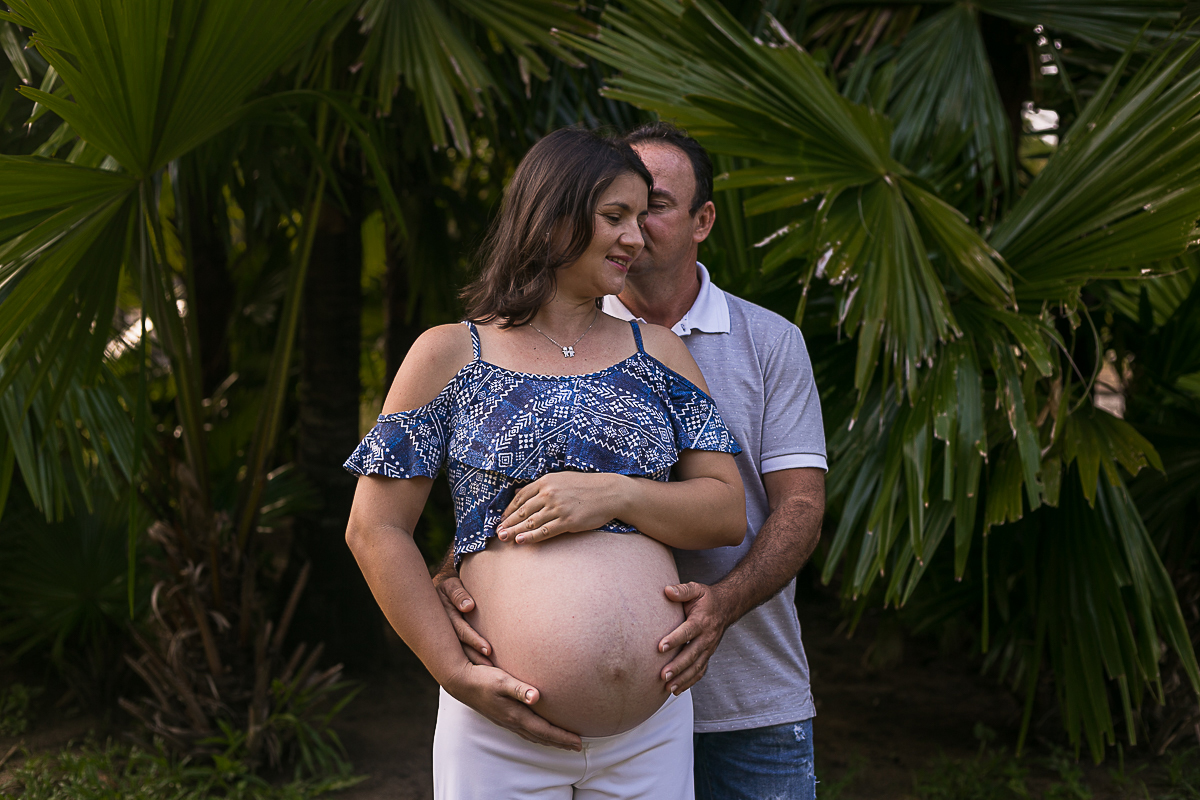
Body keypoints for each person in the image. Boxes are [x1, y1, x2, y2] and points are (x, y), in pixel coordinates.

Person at [343, 127, 747, 799]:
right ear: (554, 215)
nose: (636, 239)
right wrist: (452, 671)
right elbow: (375, 528)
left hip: (650, 732)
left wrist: (614, 495)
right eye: (614, 216)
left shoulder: (660, 353)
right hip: (501, 727)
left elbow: (725, 509)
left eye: (642, 219)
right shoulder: (450, 353)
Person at [436, 122, 828, 800]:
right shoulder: (503, 345)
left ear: (703, 220)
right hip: (552, 706)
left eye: (653, 207)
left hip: (741, 687)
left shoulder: (762, 342)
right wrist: (459, 572)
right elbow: (498, 487)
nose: (637, 230)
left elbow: (793, 506)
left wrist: (722, 603)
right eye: (618, 211)